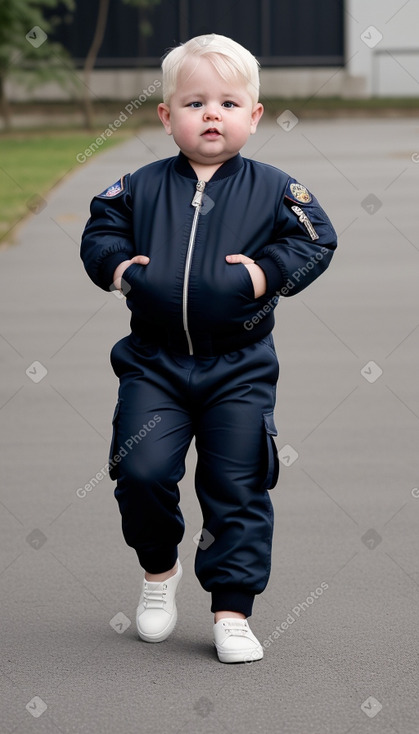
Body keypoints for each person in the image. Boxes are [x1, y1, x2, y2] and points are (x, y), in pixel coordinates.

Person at [80, 33, 337, 664]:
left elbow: (317, 242)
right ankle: (158, 572)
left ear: (253, 114)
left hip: (239, 368)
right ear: (168, 117)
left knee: (236, 483)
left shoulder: (275, 188)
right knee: (140, 473)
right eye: (194, 103)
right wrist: (119, 271)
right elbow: (99, 230)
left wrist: (265, 274)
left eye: (227, 102)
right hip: (154, 365)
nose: (211, 114)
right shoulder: (139, 185)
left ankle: (232, 608)